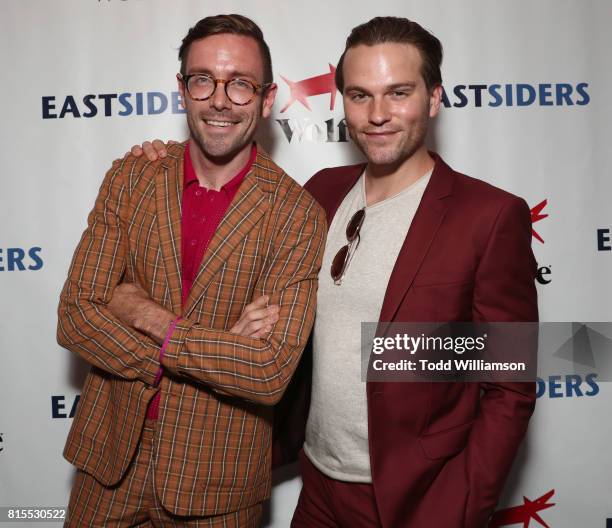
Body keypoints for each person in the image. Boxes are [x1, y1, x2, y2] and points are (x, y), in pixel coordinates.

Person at [134, 16, 538, 528]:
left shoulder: (488, 215)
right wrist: (165, 160)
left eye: (399, 93)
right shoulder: (322, 192)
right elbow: (235, 183)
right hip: (318, 488)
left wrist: (461, 508)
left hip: (416, 499)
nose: (377, 114)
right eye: (359, 95)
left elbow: (510, 385)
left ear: (434, 99)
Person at [56, 14, 326, 527]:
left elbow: (267, 372)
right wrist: (217, 346)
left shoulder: (297, 215)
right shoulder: (132, 175)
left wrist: (144, 314)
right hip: (109, 460)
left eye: (241, 85)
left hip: (218, 479)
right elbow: (74, 315)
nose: (220, 100)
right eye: (204, 79)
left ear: (267, 100)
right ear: (182, 90)